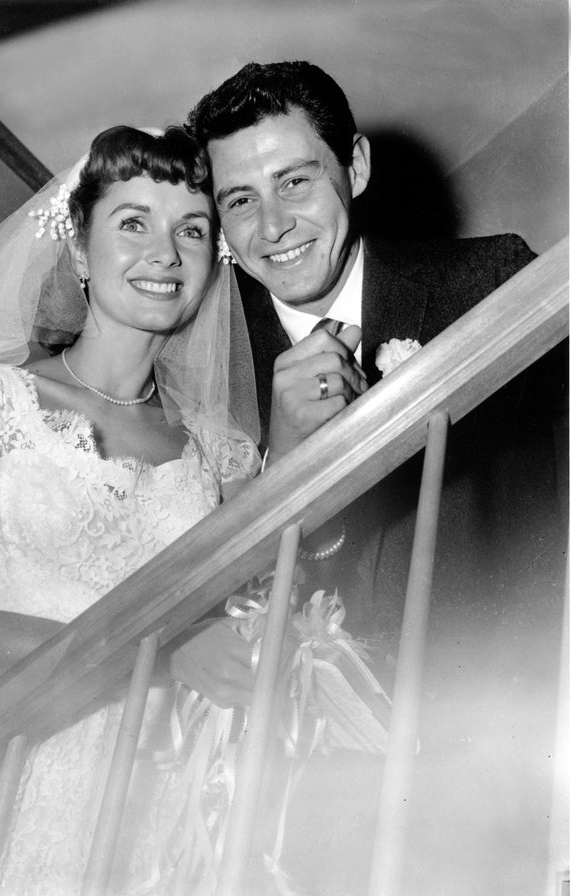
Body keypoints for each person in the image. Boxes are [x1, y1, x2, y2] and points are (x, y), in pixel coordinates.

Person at [0, 124, 263, 896]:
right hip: (12, 781)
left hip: (162, 806)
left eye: (193, 230)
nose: (165, 252)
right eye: (133, 221)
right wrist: (168, 648)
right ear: (79, 249)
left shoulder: (224, 454)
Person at [181, 59, 567, 694]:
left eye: (296, 182)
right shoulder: (201, 359)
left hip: (497, 700)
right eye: (241, 200)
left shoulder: (491, 281)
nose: (272, 226)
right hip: (295, 742)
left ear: (354, 167)